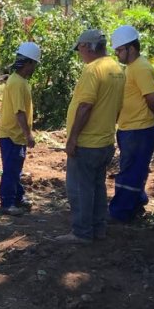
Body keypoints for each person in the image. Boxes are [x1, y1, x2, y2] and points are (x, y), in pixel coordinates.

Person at [56, 29, 125, 244]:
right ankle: (98, 228)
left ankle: (82, 232)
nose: (80, 54)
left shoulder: (92, 70)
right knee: (97, 186)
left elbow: (85, 106)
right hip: (105, 140)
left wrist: (73, 138)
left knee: (79, 188)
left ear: (87, 47)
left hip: (87, 142)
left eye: (80, 49)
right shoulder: (117, 69)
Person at [108, 25, 154, 222]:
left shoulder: (141, 68)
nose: (117, 54)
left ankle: (121, 212)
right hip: (131, 128)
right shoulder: (133, 68)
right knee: (134, 169)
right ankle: (135, 203)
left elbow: (152, 99)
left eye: (119, 50)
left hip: (140, 129)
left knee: (131, 171)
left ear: (131, 48)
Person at [0, 42, 41, 216]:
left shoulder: (20, 81)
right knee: (11, 170)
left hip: (16, 136)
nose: (34, 68)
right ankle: (7, 203)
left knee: (16, 169)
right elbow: (19, 112)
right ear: (28, 63)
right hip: (12, 135)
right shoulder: (17, 83)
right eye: (34, 64)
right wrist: (28, 134)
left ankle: (17, 198)